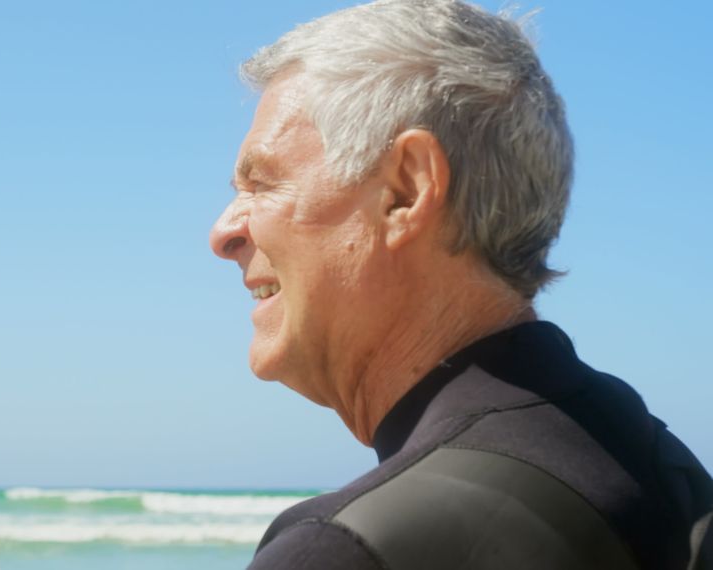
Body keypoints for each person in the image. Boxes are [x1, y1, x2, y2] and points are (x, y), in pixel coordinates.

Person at [207, 1, 713, 568]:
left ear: (406, 190)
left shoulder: (350, 549)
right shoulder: (668, 473)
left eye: (262, 183)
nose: (223, 232)